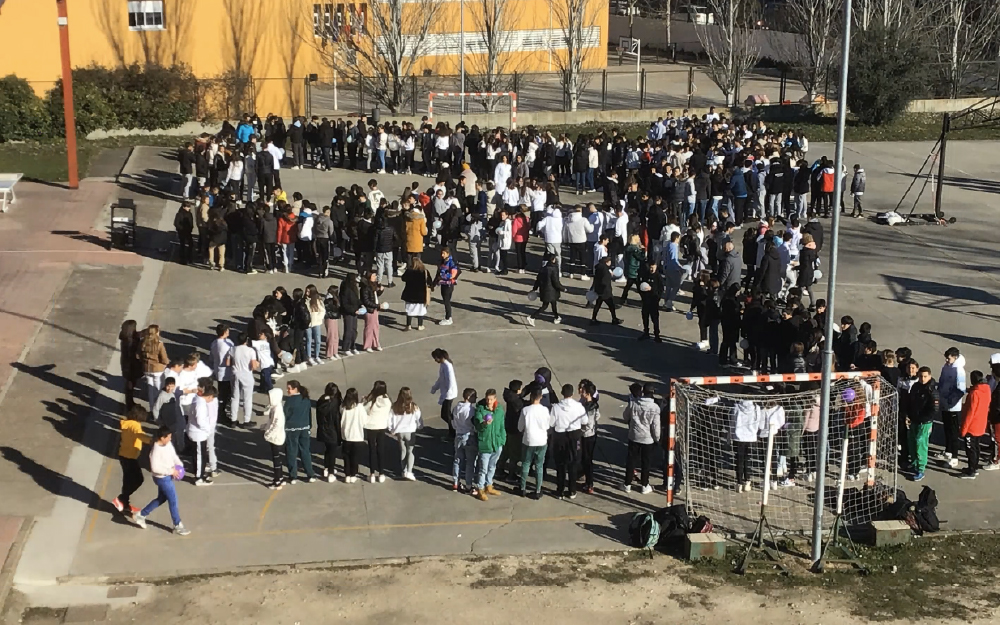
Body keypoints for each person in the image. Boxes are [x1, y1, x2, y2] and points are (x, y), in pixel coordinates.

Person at [130, 426, 190, 536]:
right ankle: (177, 525)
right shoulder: (155, 451)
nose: (170, 439)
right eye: (168, 437)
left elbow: (173, 455)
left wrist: (179, 465)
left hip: (167, 476)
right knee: (173, 500)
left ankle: (141, 515)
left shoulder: (167, 444)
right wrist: (171, 471)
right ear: (162, 438)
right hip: (162, 478)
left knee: (161, 498)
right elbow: (155, 468)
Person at [550, 383, 588, 500]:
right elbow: (585, 420)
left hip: (560, 437)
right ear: (572, 394)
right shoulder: (579, 406)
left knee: (560, 464)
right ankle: (572, 490)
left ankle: (560, 490)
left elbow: (551, 423)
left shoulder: (556, 407)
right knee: (573, 463)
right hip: (574, 436)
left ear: (562, 393)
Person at [111, 405, 151, 516]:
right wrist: (151, 441)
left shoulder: (127, 424)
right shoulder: (135, 425)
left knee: (127, 480)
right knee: (138, 479)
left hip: (124, 455)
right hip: (130, 457)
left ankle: (125, 503)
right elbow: (140, 435)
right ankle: (121, 498)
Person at [624, 382, 660, 494]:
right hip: (647, 439)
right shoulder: (654, 407)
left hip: (634, 436)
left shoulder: (633, 403)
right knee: (646, 462)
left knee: (631, 460)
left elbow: (625, 417)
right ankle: (644, 485)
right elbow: (655, 426)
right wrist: (657, 438)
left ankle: (627, 484)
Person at [472, 388, 506, 501]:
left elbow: (501, 426)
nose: (489, 402)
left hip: (496, 444)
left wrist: (502, 440)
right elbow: (477, 425)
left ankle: (489, 485)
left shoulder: (499, 410)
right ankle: (480, 488)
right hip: (485, 444)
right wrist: (484, 424)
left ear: (495, 399)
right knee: (483, 469)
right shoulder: (480, 409)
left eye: (491, 399)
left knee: (492, 466)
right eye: (487, 399)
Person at [518, 387, 551, 499]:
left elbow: (520, 427)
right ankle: (538, 489)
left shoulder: (525, 410)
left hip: (528, 440)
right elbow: (547, 426)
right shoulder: (545, 410)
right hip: (541, 440)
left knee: (526, 463)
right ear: (540, 397)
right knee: (539, 465)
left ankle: (522, 488)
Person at [908, 366, 940, 481]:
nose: (922, 378)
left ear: (929, 376)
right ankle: (915, 463)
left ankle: (921, 469)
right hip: (914, 420)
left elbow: (934, 410)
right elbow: (910, 402)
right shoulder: (916, 387)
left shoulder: (932, 391)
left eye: (925, 376)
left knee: (920, 443)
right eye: (920, 376)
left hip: (924, 422)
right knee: (912, 441)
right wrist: (909, 415)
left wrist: (923, 419)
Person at [283, 380, 316, 484]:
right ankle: (310, 474)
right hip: (304, 428)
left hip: (291, 429)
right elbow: (309, 414)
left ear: (295, 389)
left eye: (289, 388)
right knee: (305, 451)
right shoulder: (306, 400)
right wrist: (309, 426)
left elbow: (285, 415)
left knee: (292, 452)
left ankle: (293, 476)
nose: (288, 390)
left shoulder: (289, 401)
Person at [938, 347, 967, 468]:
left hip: (954, 407)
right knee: (947, 430)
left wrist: (950, 402)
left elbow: (961, 390)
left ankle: (955, 457)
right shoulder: (945, 367)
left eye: (949, 357)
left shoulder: (959, 371)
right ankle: (948, 451)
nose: (946, 359)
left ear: (955, 357)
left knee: (954, 432)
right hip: (944, 404)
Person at [960, 370, 990, 479]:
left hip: (972, 426)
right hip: (981, 425)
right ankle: (974, 467)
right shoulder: (986, 390)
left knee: (970, 449)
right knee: (976, 447)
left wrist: (964, 429)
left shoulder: (974, 394)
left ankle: (971, 471)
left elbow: (970, 413)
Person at [388, 387, 423, 481]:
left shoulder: (395, 406)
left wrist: (391, 429)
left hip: (400, 432)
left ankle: (403, 470)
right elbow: (418, 418)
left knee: (403, 451)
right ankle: (409, 471)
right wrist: (420, 426)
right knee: (410, 451)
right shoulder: (414, 406)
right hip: (410, 431)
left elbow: (390, 418)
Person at [188, 382, 219, 486]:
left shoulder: (197, 399)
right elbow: (200, 421)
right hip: (198, 434)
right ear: (209, 396)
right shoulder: (201, 404)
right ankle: (199, 478)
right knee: (200, 456)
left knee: (198, 455)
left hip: (197, 432)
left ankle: (200, 472)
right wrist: (208, 429)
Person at [363, 381, 392, 483]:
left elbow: (363, 409)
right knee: (381, 449)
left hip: (371, 426)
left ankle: (372, 474)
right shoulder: (387, 401)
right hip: (382, 426)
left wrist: (364, 401)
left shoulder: (372, 402)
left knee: (372, 449)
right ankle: (381, 473)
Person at [229, 332, 259, 427]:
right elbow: (254, 366)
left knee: (234, 397)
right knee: (247, 399)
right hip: (246, 375)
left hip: (235, 374)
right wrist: (257, 364)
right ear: (246, 340)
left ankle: (233, 419)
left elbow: (227, 363)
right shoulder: (251, 351)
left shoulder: (233, 349)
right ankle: (246, 420)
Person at [451, 388, 479, 491]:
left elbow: (453, 423)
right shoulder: (471, 410)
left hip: (458, 434)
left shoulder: (456, 408)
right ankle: (468, 484)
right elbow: (474, 424)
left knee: (457, 459)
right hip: (468, 435)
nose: (475, 398)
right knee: (470, 462)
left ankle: (455, 482)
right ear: (468, 397)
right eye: (474, 396)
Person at [526, 252, 564, 326]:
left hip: (544, 290)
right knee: (546, 306)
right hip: (552, 291)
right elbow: (555, 281)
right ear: (553, 260)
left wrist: (534, 288)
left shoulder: (543, 269)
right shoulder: (554, 269)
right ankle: (532, 317)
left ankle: (556, 317)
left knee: (552, 304)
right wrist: (562, 288)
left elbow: (538, 280)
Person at [316, 383, 343, 483]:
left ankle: (326, 468)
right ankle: (331, 472)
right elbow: (336, 419)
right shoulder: (335, 403)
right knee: (332, 452)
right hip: (333, 430)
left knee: (327, 450)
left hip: (323, 429)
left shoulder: (321, 400)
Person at [340, 388, 368, 483]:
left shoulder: (343, 407)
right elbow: (365, 421)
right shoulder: (360, 407)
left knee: (346, 456)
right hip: (357, 436)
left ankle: (347, 474)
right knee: (354, 457)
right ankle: (353, 474)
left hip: (346, 436)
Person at [578, 379, 600, 494]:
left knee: (587, 460)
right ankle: (587, 480)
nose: (581, 392)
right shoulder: (595, 404)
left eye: (584, 391)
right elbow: (597, 418)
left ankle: (589, 483)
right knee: (586, 458)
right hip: (592, 434)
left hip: (587, 435)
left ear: (588, 394)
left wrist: (581, 426)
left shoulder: (589, 407)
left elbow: (589, 423)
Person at [431, 348, 458, 437]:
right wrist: (435, 387)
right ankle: (454, 427)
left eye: (435, 358)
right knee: (446, 414)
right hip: (447, 393)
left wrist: (446, 394)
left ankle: (454, 429)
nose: (435, 360)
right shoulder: (443, 365)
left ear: (439, 357)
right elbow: (441, 378)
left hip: (449, 394)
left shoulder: (447, 366)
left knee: (445, 415)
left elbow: (451, 381)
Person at [263, 388, 286, 490]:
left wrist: (268, 433)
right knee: (277, 459)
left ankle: (277, 481)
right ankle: (280, 477)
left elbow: (276, 424)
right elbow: (271, 422)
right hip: (275, 436)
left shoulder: (277, 410)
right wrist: (265, 426)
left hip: (276, 438)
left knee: (276, 459)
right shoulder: (275, 408)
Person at [401, 257, 433, 331]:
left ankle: (408, 325)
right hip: (421, 295)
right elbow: (429, 282)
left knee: (409, 310)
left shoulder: (409, 271)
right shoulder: (424, 271)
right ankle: (420, 325)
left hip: (410, 294)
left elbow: (403, 278)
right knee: (420, 311)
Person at [590, 255, 622, 326]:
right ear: (607, 262)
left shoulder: (599, 268)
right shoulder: (605, 270)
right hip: (605, 291)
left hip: (599, 290)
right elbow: (605, 281)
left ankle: (593, 319)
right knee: (611, 305)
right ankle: (614, 319)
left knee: (598, 305)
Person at [119, 320, 141, 411]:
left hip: (127, 363)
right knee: (130, 384)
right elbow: (130, 354)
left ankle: (129, 402)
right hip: (130, 365)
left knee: (131, 383)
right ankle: (129, 404)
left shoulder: (125, 337)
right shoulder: (129, 341)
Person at [434, 248, 459, 326]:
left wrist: (443, 276)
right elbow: (438, 273)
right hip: (443, 284)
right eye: (442, 253)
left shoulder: (451, 263)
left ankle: (448, 318)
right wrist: (434, 283)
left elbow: (453, 275)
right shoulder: (443, 262)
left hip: (448, 285)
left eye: (444, 253)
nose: (442, 255)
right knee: (446, 301)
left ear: (448, 254)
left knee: (446, 301)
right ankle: (448, 317)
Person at [360, 270, 384, 352]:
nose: (375, 277)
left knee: (376, 327)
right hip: (370, 310)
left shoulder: (373, 285)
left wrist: (380, 290)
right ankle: (367, 345)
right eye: (373, 276)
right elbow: (366, 301)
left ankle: (376, 343)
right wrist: (377, 306)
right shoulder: (365, 287)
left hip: (375, 309)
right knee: (369, 328)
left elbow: (375, 296)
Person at [340, 273, 362, 355]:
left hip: (355, 311)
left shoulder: (354, 287)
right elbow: (345, 304)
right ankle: (346, 348)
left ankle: (353, 346)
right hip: (348, 312)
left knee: (354, 330)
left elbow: (356, 299)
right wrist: (353, 310)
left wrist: (360, 304)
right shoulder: (345, 289)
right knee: (348, 330)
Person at [323, 284, 341, 360]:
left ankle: (335, 351)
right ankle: (329, 353)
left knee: (336, 336)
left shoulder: (335, 298)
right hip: (330, 318)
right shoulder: (328, 299)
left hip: (334, 318)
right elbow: (329, 309)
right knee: (331, 336)